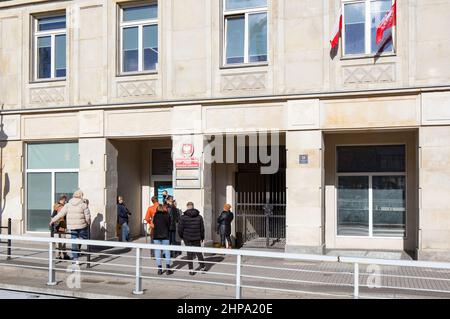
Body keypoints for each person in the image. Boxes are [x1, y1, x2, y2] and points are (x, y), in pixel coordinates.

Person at [50, 190, 91, 264]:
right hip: (81, 226)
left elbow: (61, 214)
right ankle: (80, 240)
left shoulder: (68, 204)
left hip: (72, 227)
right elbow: (87, 216)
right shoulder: (83, 204)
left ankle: (75, 259)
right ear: (81, 196)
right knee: (84, 237)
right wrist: (88, 222)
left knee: (73, 242)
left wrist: (52, 220)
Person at [178, 202, 206, 275]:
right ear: (193, 207)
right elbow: (202, 228)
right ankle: (202, 267)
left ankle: (191, 270)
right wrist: (202, 237)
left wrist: (181, 236)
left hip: (187, 237)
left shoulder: (183, 217)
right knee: (199, 253)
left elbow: (180, 228)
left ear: (187, 207)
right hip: (197, 237)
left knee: (189, 253)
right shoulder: (199, 217)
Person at [152, 204, 173, 275]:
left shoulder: (155, 216)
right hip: (165, 235)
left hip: (156, 236)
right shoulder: (167, 215)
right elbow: (169, 224)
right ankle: (167, 269)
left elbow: (153, 224)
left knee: (157, 252)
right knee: (167, 251)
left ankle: (159, 269)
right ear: (163, 209)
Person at [50, 195, 70, 260]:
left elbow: (53, 215)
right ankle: (64, 254)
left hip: (56, 225)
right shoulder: (62, 207)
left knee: (59, 240)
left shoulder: (56, 205)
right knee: (63, 239)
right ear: (63, 199)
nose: (66, 201)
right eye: (65, 199)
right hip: (62, 224)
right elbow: (62, 216)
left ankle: (58, 254)